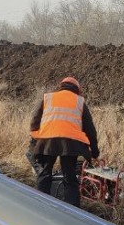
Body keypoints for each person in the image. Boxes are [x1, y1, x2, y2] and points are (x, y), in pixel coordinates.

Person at [30, 76, 99, 207]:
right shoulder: (80, 102)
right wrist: (95, 152)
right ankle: (72, 212)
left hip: (47, 142)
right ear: (77, 90)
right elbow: (91, 130)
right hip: (70, 145)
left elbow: (34, 121)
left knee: (44, 174)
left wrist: (37, 139)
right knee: (70, 178)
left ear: (61, 86)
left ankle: (39, 207)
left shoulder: (47, 98)